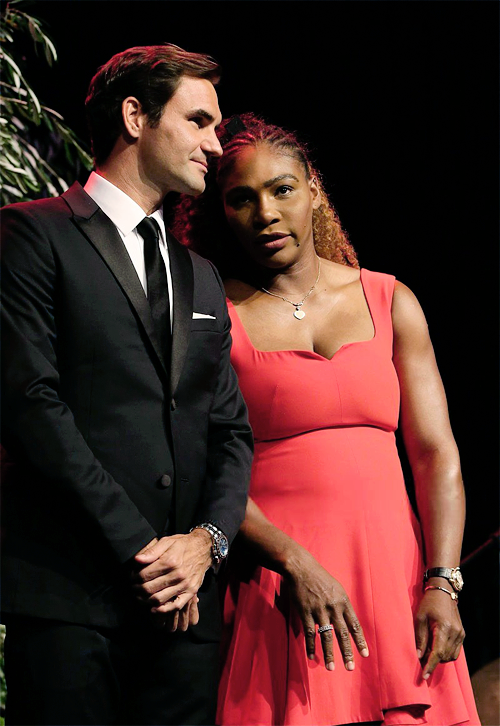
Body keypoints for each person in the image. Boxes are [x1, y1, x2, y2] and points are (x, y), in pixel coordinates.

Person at [172, 113, 481, 726]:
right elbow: (204, 467)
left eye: (282, 188)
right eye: (242, 198)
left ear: (314, 189)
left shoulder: (390, 300)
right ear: (220, 211)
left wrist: (442, 582)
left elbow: (434, 452)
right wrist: (295, 562)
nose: (265, 213)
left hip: (396, 584)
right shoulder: (212, 318)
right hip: (282, 585)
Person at [0, 45, 253, 726]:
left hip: (184, 616)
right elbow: (31, 404)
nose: (216, 144)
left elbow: (230, 431)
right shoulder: (30, 234)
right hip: (70, 596)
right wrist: (146, 551)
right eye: (200, 121)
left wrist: (208, 544)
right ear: (136, 115)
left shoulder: (198, 274)